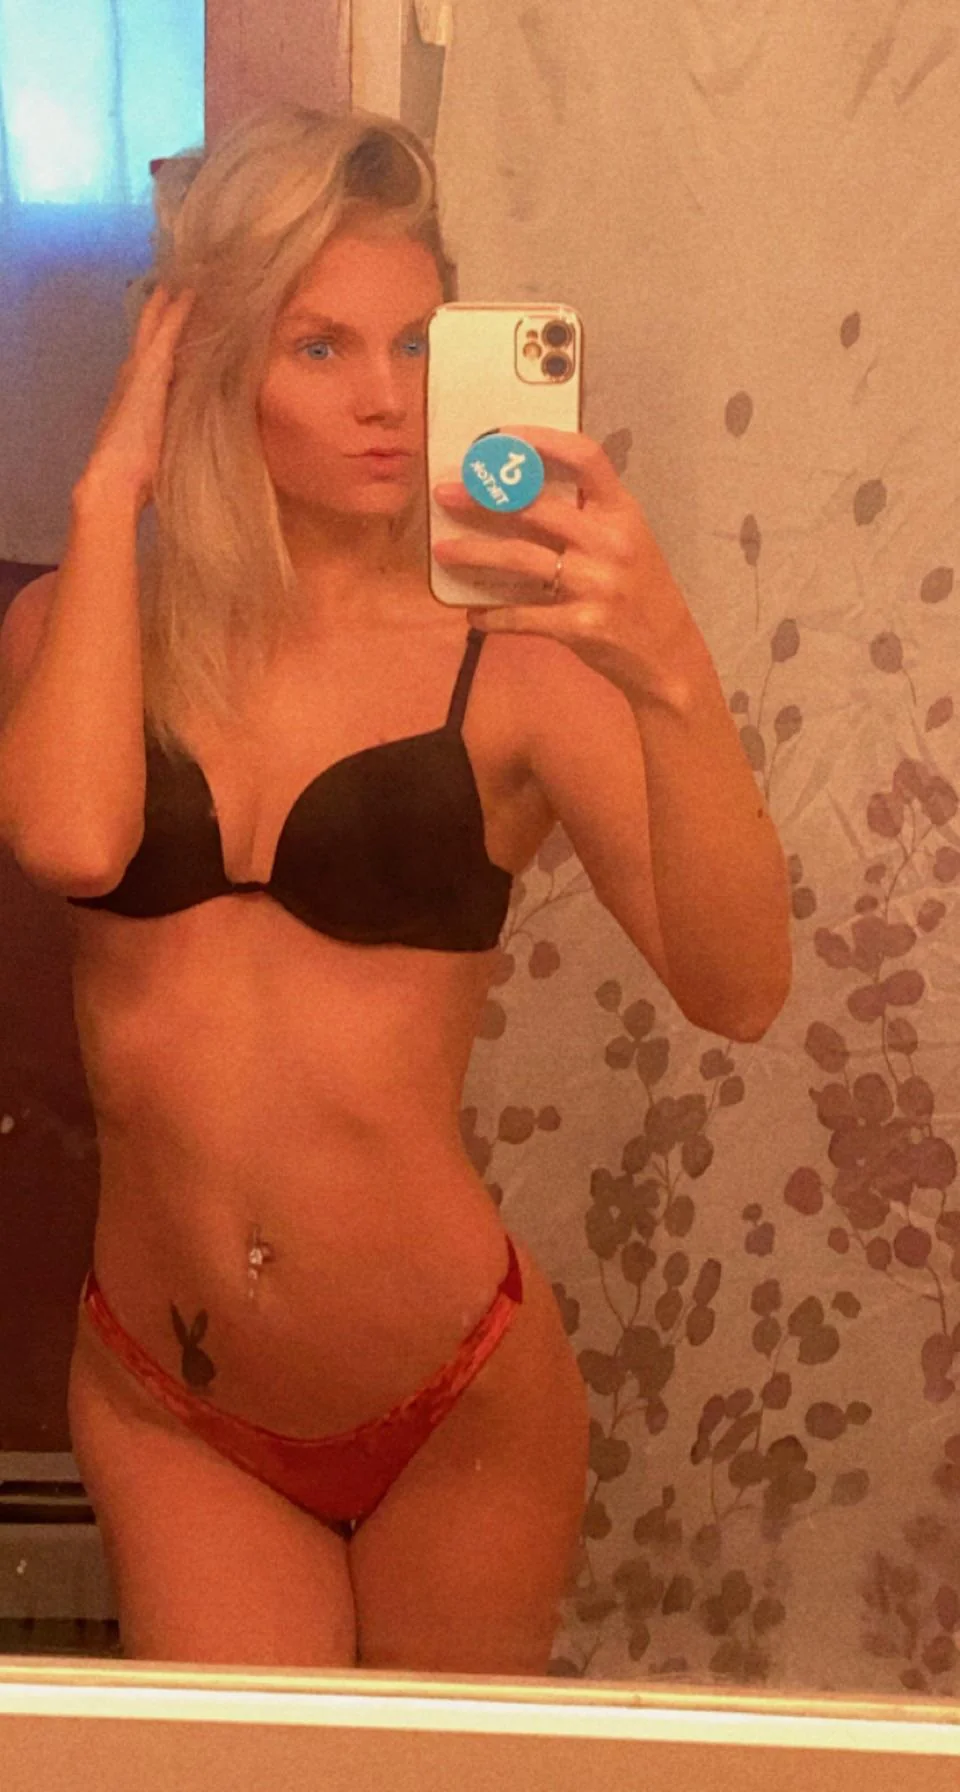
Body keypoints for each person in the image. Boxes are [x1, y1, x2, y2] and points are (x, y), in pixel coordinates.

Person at [0, 104, 792, 1675]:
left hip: (449, 1403)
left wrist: (670, 671)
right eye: (321, 347)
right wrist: (107, 494)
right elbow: (77, 843)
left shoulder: (516, 663)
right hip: (170, 1397)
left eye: (420, 343)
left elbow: (740, 989)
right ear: (211, 354)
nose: (388, 397)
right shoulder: (76, 631)